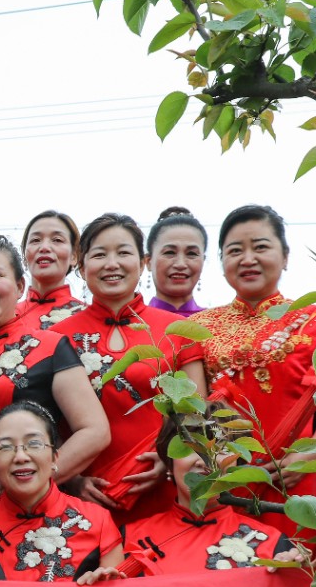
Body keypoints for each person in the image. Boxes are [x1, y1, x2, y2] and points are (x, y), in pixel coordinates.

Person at [188, 205, 316, 522]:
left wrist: (308, 454)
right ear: (222, 262)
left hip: (295, 479)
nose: (248, 259)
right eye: (235, 251)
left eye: (260, 247)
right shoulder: (198, 327)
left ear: (285, 256)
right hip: (224, 479)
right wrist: (221, 465)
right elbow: (193, 410)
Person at [0, 236, 108, 511]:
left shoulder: (51, 347)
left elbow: (95, 431)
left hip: (33, 508)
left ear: (20, 286)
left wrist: (32, 479)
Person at [51, 213, 203, 520]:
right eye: (99, 255)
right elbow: (47, 423)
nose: (112, 264)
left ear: (143, 262)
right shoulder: (55, 338)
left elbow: (198, 411)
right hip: (84, 500)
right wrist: (72, 478)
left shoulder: (178, 330)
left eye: (123, 252)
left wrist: (169, 459)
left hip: (164, 491)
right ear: (81, 266)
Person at [121, 405, 301, 575]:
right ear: (169, 463)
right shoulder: (128, 538)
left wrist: (293, 575)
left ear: (237, 465)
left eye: (220, 449)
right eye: (190, 448)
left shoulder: (273, 546)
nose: (205, 461)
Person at [0, 403, 124, 583]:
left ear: (55, 457)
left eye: (34, 444)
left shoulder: (98, 522)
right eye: (6, 447)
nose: (21, 457)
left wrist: (103, 586)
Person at [14, 209, 86, 331]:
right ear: (25, 256)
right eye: (35, 240)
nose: (44, 247)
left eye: (57, 240)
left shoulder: (88, 318)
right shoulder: (5, 318)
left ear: (74, 256)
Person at [146, 207, 208, 316]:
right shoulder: (131, 322)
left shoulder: (218, 323)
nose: (180, 264)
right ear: (148, 261)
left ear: (203, 261)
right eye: (169, 252)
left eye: (191, 254)